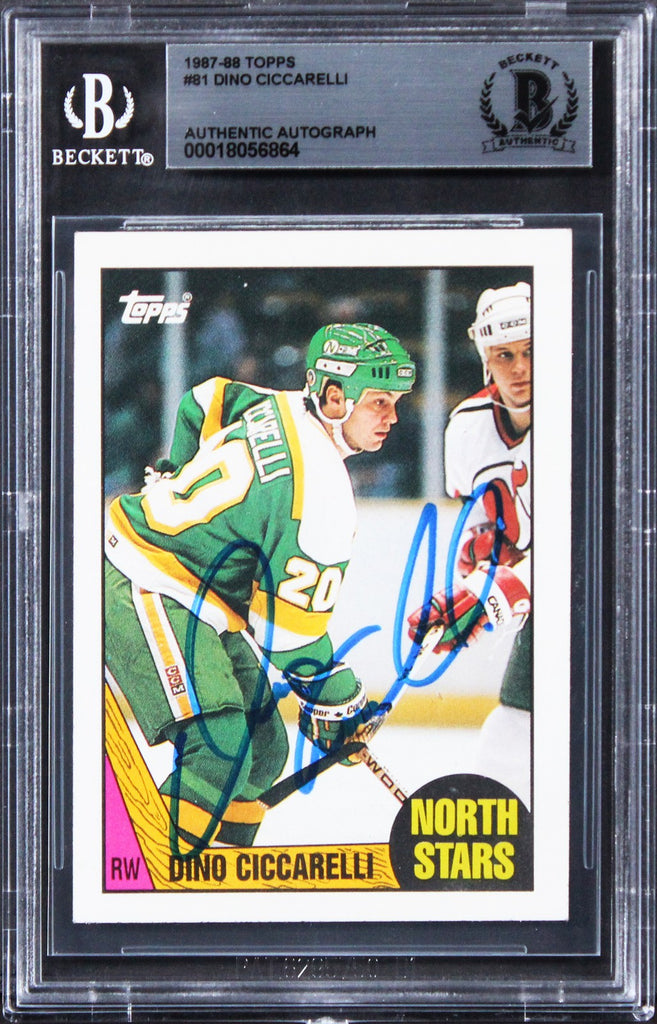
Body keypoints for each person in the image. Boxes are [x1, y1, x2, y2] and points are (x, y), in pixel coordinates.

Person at [105, 323, 416, 850]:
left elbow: (204, 401)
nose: (393, 417)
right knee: (221, 750)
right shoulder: (321, 496)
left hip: (195, 594)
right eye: (379, 402)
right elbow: (289, 637)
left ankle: (220, 865)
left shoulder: (283, 403)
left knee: (265, 749)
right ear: (334, 398)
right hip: (143, 578)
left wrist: (174, 473)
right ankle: (146, 869)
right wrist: (338, 699)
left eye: (395, 403)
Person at [408, 283, 532, 806]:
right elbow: (482, 534)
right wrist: (472, 586)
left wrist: (499, 588)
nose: (520, 368)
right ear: (486, 359)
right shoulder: (466, 430)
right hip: (549, 602)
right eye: (505, 355)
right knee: (509, 738)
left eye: (531, 351)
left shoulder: (585, 416)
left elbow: (592, 546)